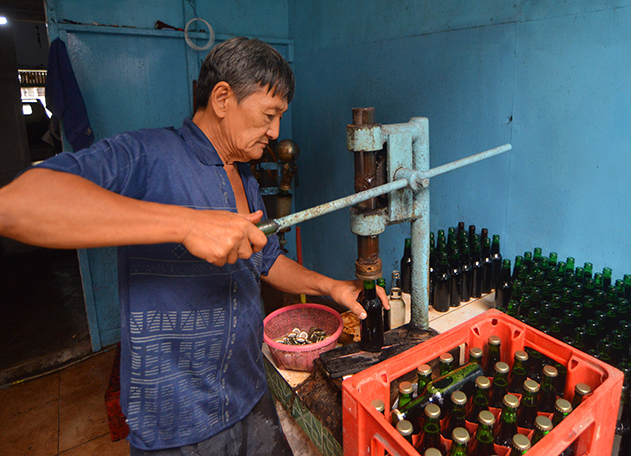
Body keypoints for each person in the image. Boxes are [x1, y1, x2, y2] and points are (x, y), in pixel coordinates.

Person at [0, 37, 388, 455]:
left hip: (249, 390)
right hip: (179, 418)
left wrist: (332, 287)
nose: (275, 131)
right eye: (269, 114)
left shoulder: (245, 177)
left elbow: (266, 260)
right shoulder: (147, 155)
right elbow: (18, 206)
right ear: (223, 98)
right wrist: (185, 224)